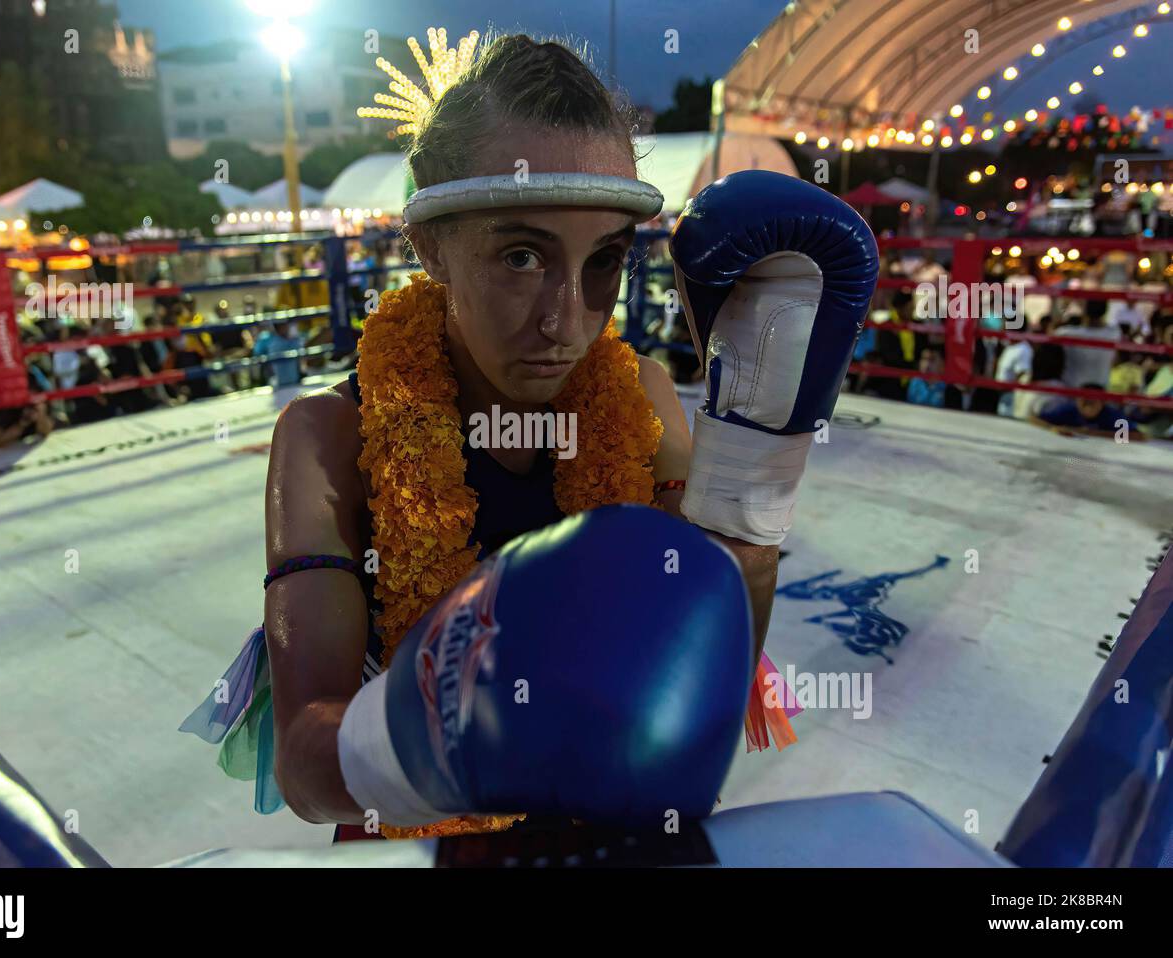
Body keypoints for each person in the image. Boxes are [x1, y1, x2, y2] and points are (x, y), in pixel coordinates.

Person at [183, 35, 872, 842]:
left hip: (604, 836)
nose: (565, 320)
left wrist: (758, 466)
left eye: (605, 262)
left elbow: (714, 677)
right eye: (520, 255)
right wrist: (427, 741)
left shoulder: (643, 397)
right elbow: (306, 763)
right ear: (428, 246)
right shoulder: (329, 437)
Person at [1030, 384, 1137, 439]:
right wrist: (1053, 428)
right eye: (1084, 399)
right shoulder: (1069, 410)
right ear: (1077, 400)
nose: (1088, 403)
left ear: (1103, 402)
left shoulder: (1112, 416)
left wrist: (1092, 433)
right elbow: (1033, 418)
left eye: (1093, 399)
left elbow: (1138, 436)